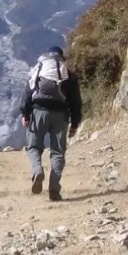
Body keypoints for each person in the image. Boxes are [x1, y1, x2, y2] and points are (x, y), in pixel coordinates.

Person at [19, 45, 83, 201]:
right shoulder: (67, 74)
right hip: (60, 115)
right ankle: (54, 190)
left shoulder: (39, 69)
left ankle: (37, 170)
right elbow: (76, 103)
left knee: (34, 147)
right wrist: (75, 124)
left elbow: (28, 93)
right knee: (58, 152)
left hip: (38, 112)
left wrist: (25, 114)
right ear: (62, 58)